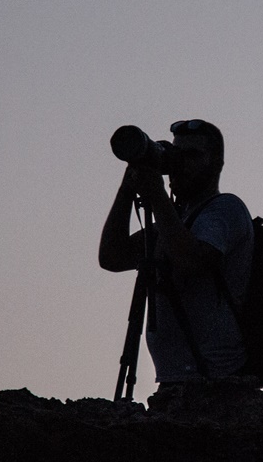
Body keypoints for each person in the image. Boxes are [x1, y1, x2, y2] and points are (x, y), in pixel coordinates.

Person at [99, 119, 255, 405]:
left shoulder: (225, 209)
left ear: (216, 164)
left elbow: (190, 261)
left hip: (218, 386)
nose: (182, 164)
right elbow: (112, 256)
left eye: (193, 155)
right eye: (177, 154)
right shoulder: (172, 226)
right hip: (172, 384)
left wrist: (157, 195)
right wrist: (127, 188)